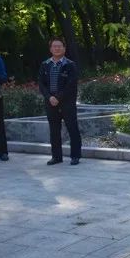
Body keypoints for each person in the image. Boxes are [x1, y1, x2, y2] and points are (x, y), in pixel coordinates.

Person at [38, 36, 81, 165]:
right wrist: (49, 97)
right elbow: (41, 83)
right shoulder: (45, 64)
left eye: (59, 46)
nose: (57, 48)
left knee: (72, 129)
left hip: (67, 103)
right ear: (50, 49)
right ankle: (56, 157)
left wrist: (58, 97)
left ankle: (75, 156)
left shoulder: (70, 65)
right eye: (54, 46)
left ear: (64, 48)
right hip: (50, 103)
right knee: (54, 131)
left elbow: (71, 85)